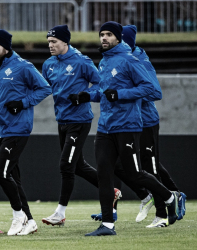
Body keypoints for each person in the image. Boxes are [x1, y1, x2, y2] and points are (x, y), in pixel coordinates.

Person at [80, 21, 179, 236]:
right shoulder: (105, 62)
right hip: (105, 127)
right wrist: (86, 95)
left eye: (108, 35)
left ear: (118, 38)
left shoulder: (130, 60)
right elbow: (104, 91)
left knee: (135, 174)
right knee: (105, 174)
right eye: (101, 34)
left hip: (127, 126)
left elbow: (152, 89)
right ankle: (107, 225)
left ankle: (170, 197)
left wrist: (121, 94)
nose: (104, 38)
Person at [0, 29, 51, 236]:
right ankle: (30, 221)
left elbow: (45, 88)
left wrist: (22, 103)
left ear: (6, 47)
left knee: (0, 172)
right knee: (13, 178)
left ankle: (18, 216)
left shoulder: (23, 67)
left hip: (17, 129)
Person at [40, 24, 122, 227]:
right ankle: (111, 191)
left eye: (54, 42)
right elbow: (43, 88)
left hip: (80, 120)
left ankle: (60, 213)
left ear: (65, 42)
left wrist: (83, 96)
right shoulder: (49, 64)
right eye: (48, 42)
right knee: (77, 166)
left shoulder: (81, 62)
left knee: (66, 165)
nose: (50, 45)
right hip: (62, 121)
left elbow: (101, 84)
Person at [122, 25, 187, 225]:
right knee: (128, 165)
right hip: (130, 122)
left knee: (150, 167)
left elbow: (155, 92)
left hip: (146, 121)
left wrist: (128, 93)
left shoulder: (140, 62)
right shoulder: (120, 59)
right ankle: (171, 195)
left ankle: (162, 214)